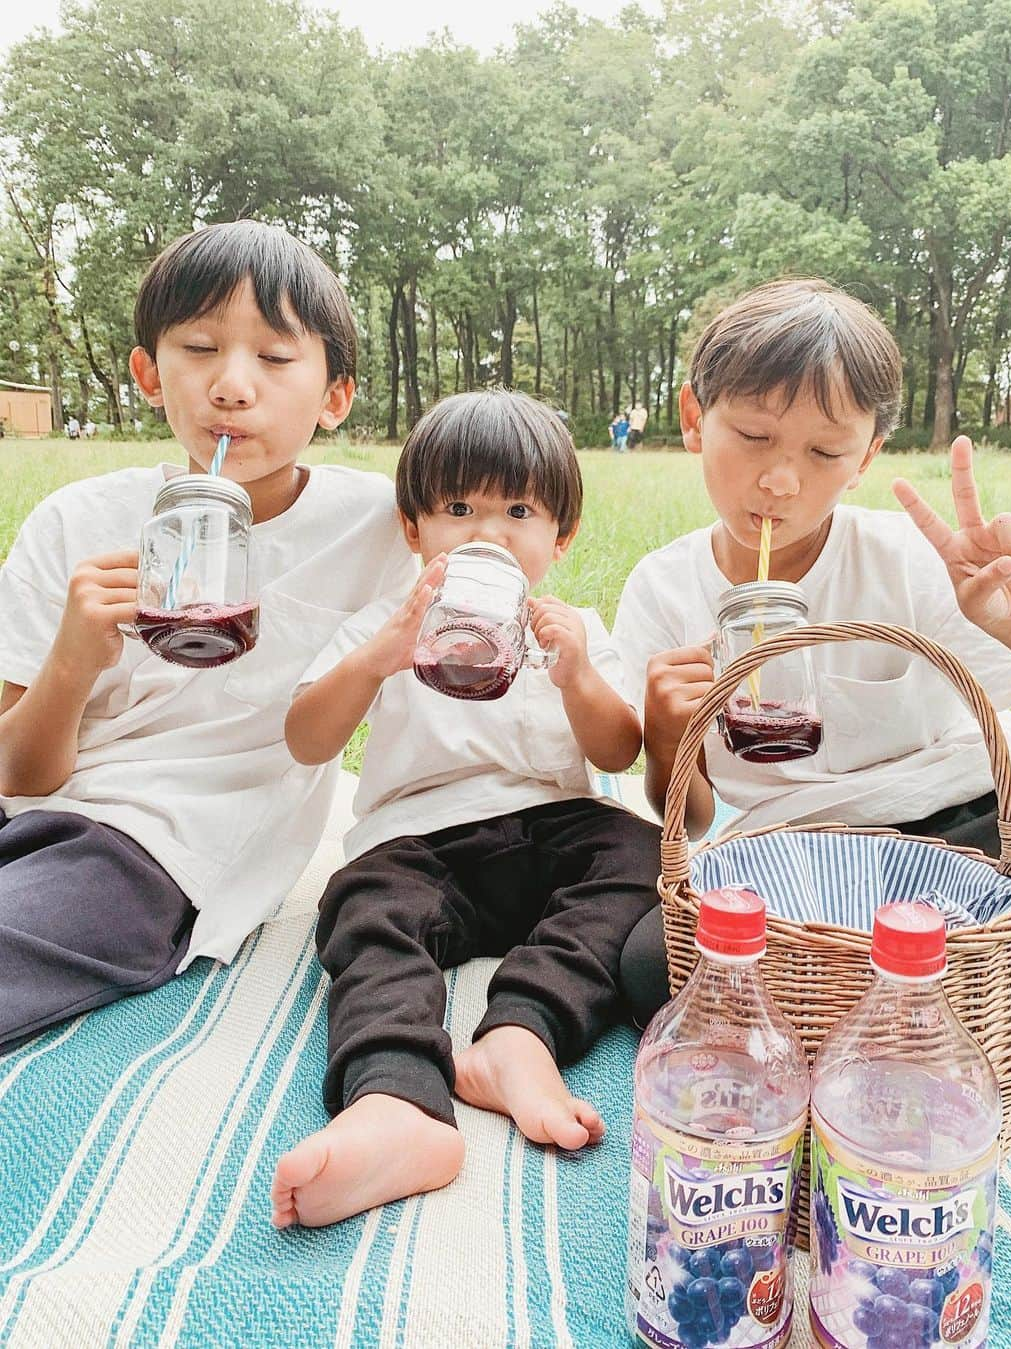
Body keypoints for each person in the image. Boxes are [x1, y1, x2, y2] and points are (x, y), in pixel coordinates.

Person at [613, 277, 1011, 1068]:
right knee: (658, 965)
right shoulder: (664, 590)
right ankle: (962, 1009)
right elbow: (687, 820)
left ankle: (908, 1009)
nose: (782, 480)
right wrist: (666, 739)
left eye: (824, 452)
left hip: (984, 826)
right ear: (695, 419)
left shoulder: (909, 560)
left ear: (865, 456)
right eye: (754, 436)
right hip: (804, 861)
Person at [0, 220, 416, 1052]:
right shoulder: (75, 522)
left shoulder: (378, 527)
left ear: (335, 396)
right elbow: (20, 771)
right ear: (149, 374)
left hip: (159, 846)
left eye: (274, 357)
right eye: (198, 347)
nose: (231, 386)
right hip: (31, 805)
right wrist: (73, 661)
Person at [270, 389, 661, 1228]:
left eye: (518, 509)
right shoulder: (387, 622)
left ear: (560, 538)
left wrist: (579, 676)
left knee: (642, 853)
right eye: (457, 507)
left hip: (548, 827)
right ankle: (396, 1101)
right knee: (364, 909)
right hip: (419, 846)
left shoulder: (573, 628)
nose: (487, 533)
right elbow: (307, 738)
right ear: (413, 529)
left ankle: (519, 1033)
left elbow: (618, 752)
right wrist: (375, 660)